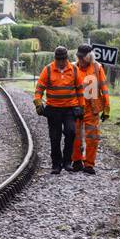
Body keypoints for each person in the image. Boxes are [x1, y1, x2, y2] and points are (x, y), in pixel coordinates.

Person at [34, 45, 84, 175]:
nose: (61, 62)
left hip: (70, 109)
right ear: (55, 59)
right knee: (54, 138)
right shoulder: (48, 70)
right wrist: (38, 102)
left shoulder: (74, 69)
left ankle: (67, 161)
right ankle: (56, 164)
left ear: (66, 58)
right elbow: (39, 88)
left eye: (63, 59)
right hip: (53, 109)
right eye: (58, 59)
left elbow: (80, 89)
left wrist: (81, 106)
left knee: (71, 132)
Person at [70, 44, 110, 175]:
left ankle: (89, 164)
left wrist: (106, 108)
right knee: (74, 136)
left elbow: (104, 88)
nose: (80, 59)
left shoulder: (97, 68)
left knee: (92, 137)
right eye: (79, 57)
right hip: (76, 107)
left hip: (92, 108)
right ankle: (76, 161)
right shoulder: (73, 67)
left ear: (89, 57)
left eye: (82, 57)